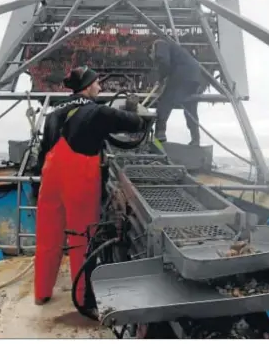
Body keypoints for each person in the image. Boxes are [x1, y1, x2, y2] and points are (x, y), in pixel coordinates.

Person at [34, 65, 149, 313]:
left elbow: (42, 155)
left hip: (49, 184)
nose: (100, 87)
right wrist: (132, 107)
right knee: (82, 240)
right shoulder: (97, 112)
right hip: (79, 184)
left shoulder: (53, 116)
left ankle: (41, 294)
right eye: (97, 83)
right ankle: (83, 301)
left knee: (47, 240)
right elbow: (135, 123)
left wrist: (37, 189)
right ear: (87, 87)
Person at [148, 39, 202, 146]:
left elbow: (163, 61)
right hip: (195, 76)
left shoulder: (159, 43)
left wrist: (161, 78)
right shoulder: (176, 50)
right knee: (190, 108)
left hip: (182, 74)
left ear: (151, 50)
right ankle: (196, 139)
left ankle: (160, 137)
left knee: (165, 102)